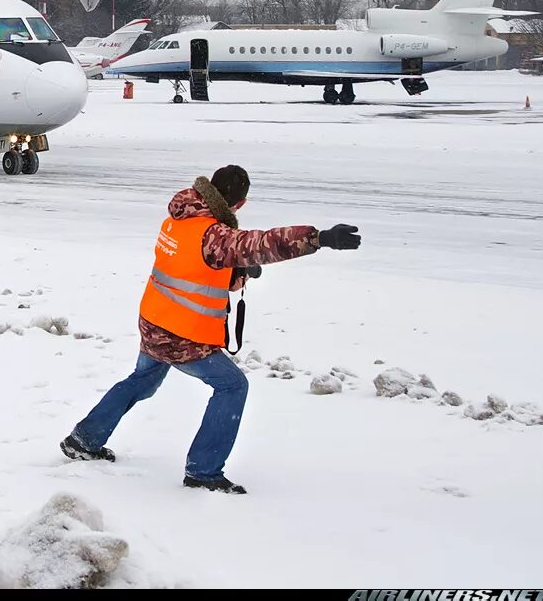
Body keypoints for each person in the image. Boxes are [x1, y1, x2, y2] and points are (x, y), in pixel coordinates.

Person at [60, 165, 360, 494]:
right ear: (240, 205)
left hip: (154, 321)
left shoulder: (180, 217)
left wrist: (236, 272)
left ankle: (84, 439)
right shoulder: (215, 236)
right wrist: (320, 238)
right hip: (182, 335)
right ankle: (204, 471)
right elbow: (262, 243)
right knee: (233, 386)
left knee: (141, 382)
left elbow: (192, 266)